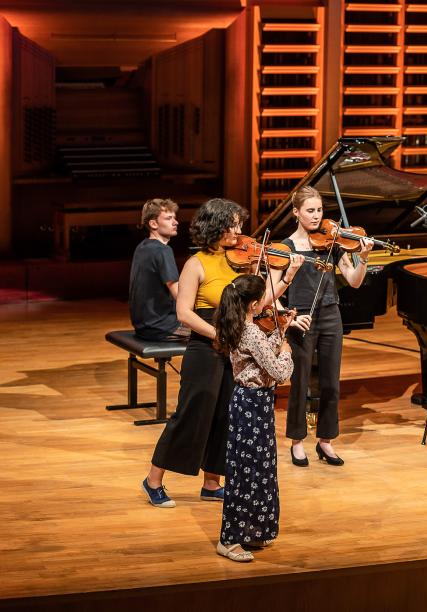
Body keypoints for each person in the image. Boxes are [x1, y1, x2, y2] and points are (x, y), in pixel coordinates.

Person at [142, 198, 304, 508]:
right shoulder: (196, 264)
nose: (241, 231)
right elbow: (183, 313)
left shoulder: (241, 262)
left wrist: (287, 277)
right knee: (190, 414)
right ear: (218, 226)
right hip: (205, 347)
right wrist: (219, 335)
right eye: (235, 225)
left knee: (225, 416)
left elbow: (259, 303)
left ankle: (212, 483)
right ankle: (153, 480)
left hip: (234, 350)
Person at [274, 185, 372, 468]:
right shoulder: (286, 248)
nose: (316, 216)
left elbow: (354, 280)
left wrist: (362, 258)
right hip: (301, 319)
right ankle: (296, 441)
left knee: (331, 382)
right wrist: (290, 318)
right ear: (296, 213)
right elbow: (273, 294)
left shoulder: (332, 244)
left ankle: (326, 441)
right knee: (300, 383)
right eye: (310, 211)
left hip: (331, 315)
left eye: (319, 210)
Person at [212, 274, 297, 562]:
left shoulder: (245, 328)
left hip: (253, 404)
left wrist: (279, 331)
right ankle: (230, 539)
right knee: (245, 472)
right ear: (254, 304)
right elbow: (279, 372)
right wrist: (287, 352)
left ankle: (250, 531)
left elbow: (260, 351)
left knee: (258, 469)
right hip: (252, 404)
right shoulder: (250, 332)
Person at [128, 198, 188, 341]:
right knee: (217, 331)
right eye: (169, 218)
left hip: (143, 327)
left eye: (174, 217)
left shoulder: (142, 247)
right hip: (164, 327)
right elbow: (179, 296)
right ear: (153, 223)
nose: (176, 222)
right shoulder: (163, 251)